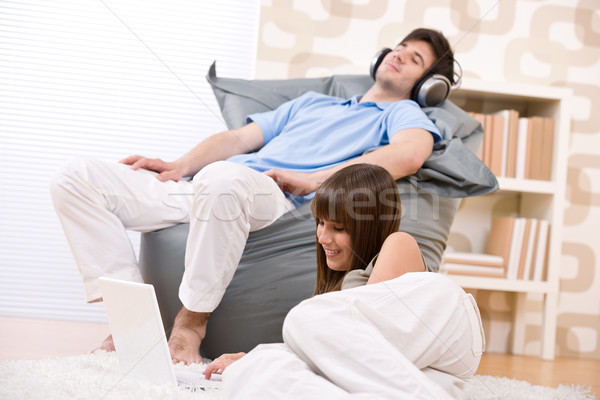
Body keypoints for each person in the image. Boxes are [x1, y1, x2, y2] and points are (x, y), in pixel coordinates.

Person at [50, 28, 456, 365]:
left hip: (270, 195)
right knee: (76, 177)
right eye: (400, 47)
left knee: (225, 180)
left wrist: (315, 179)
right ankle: (131, 327)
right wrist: (178, 165)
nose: (400, 55)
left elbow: (411, 152)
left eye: (415, 59)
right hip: (208, 187)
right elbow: (238, 138)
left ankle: (189, 327)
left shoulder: (402, 114)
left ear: (428, 86)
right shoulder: (313, 104)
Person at [204, 164, 484, 399]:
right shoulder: (336, 292)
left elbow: (369, 335)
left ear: (371, 224)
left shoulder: (398, 244)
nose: (323, 237)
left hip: (448, 323)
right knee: (254, 374)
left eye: (338, 228)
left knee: (303, 319)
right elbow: (349, 354)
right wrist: (256, 360)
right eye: (320, 223)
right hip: (426, 369)